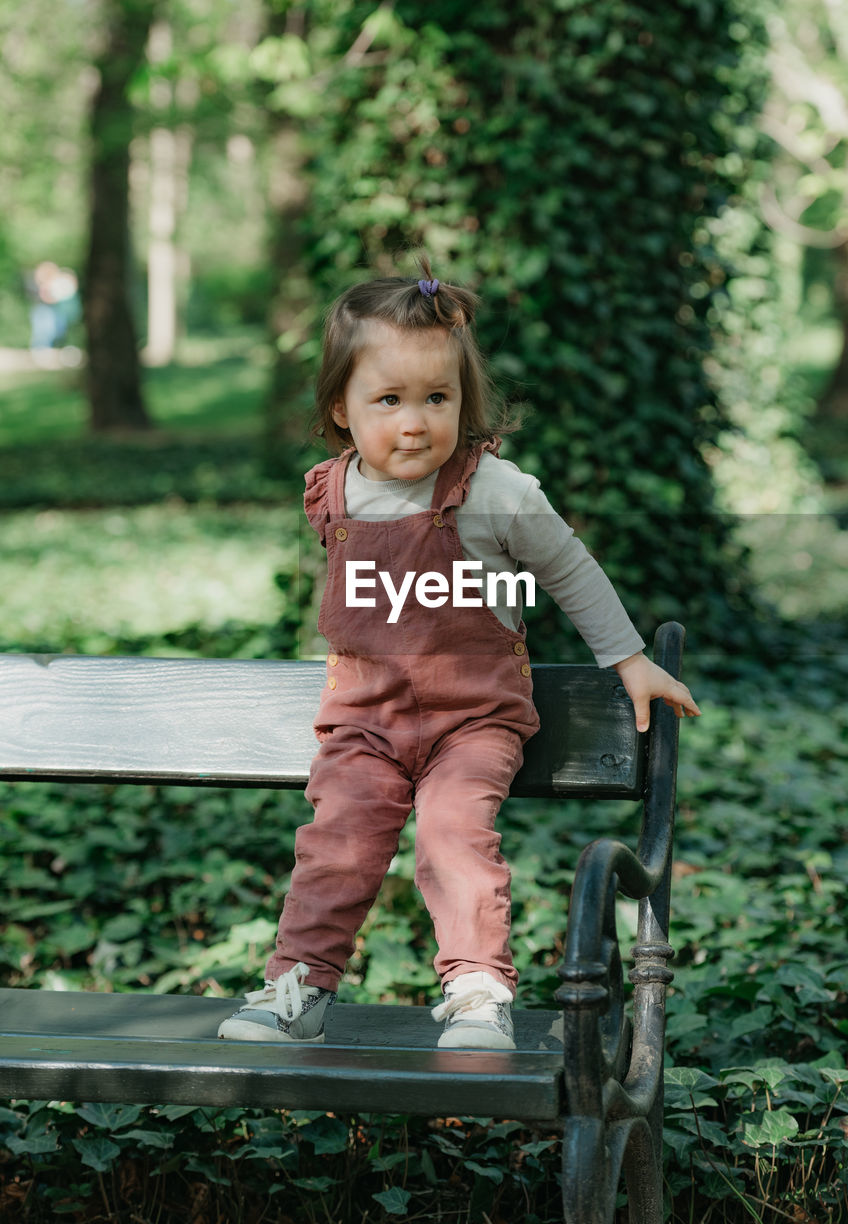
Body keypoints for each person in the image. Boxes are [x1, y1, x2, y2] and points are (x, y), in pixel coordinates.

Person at [218, 269, 700, 1051]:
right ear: (341, 408)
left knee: (453, 835)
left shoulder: (491, 490)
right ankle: (298, 986)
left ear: (462, 400)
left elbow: (570, 568)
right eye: (389, 400)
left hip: (472, 720)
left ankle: (480, 991)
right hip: (363, 722)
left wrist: (630, 659)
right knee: (335, 843)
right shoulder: (333, 493)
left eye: (436, 399)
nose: (415, 423)